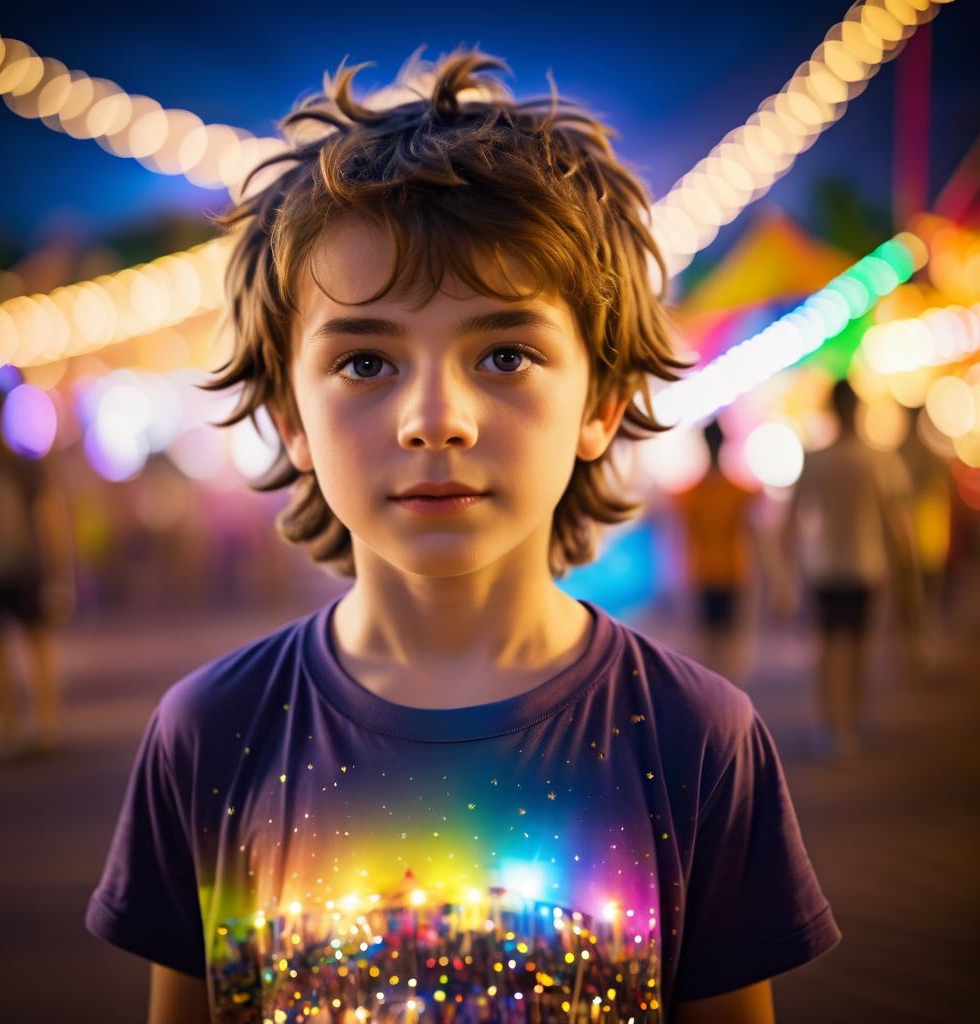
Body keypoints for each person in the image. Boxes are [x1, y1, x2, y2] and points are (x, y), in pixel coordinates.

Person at [85, 49, 841, 1024]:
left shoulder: (700, 737)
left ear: (602, 401)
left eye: (502, 353)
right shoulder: (210, 733)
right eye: (364, 361)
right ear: (288, 415)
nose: (433, 418)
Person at [774, 378, 922, 763]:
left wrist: (784, 576)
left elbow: (791, 522)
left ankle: (831, 725)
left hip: (824, 567)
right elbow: (896, 524)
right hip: (865, 567)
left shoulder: (817, 459)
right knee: (856, 646)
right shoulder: (880, 460)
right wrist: (909, 574)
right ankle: (848, 723)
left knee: (829, 648)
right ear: (857, 408)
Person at [0, 386, 74, 758]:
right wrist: (58, 572)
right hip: (25, 566)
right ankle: (45, 720)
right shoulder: (23, 463)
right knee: (35, 643)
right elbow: (50, 518)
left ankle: (8, 723)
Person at [672, 418, 761, 682]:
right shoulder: (738, 492)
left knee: (707, 642)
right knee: (729, 641)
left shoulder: (690, 493)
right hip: (733, 572)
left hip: (702, 573)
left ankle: (712, 691)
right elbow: (754, 537)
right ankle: (727, 690)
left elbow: (679, 538)